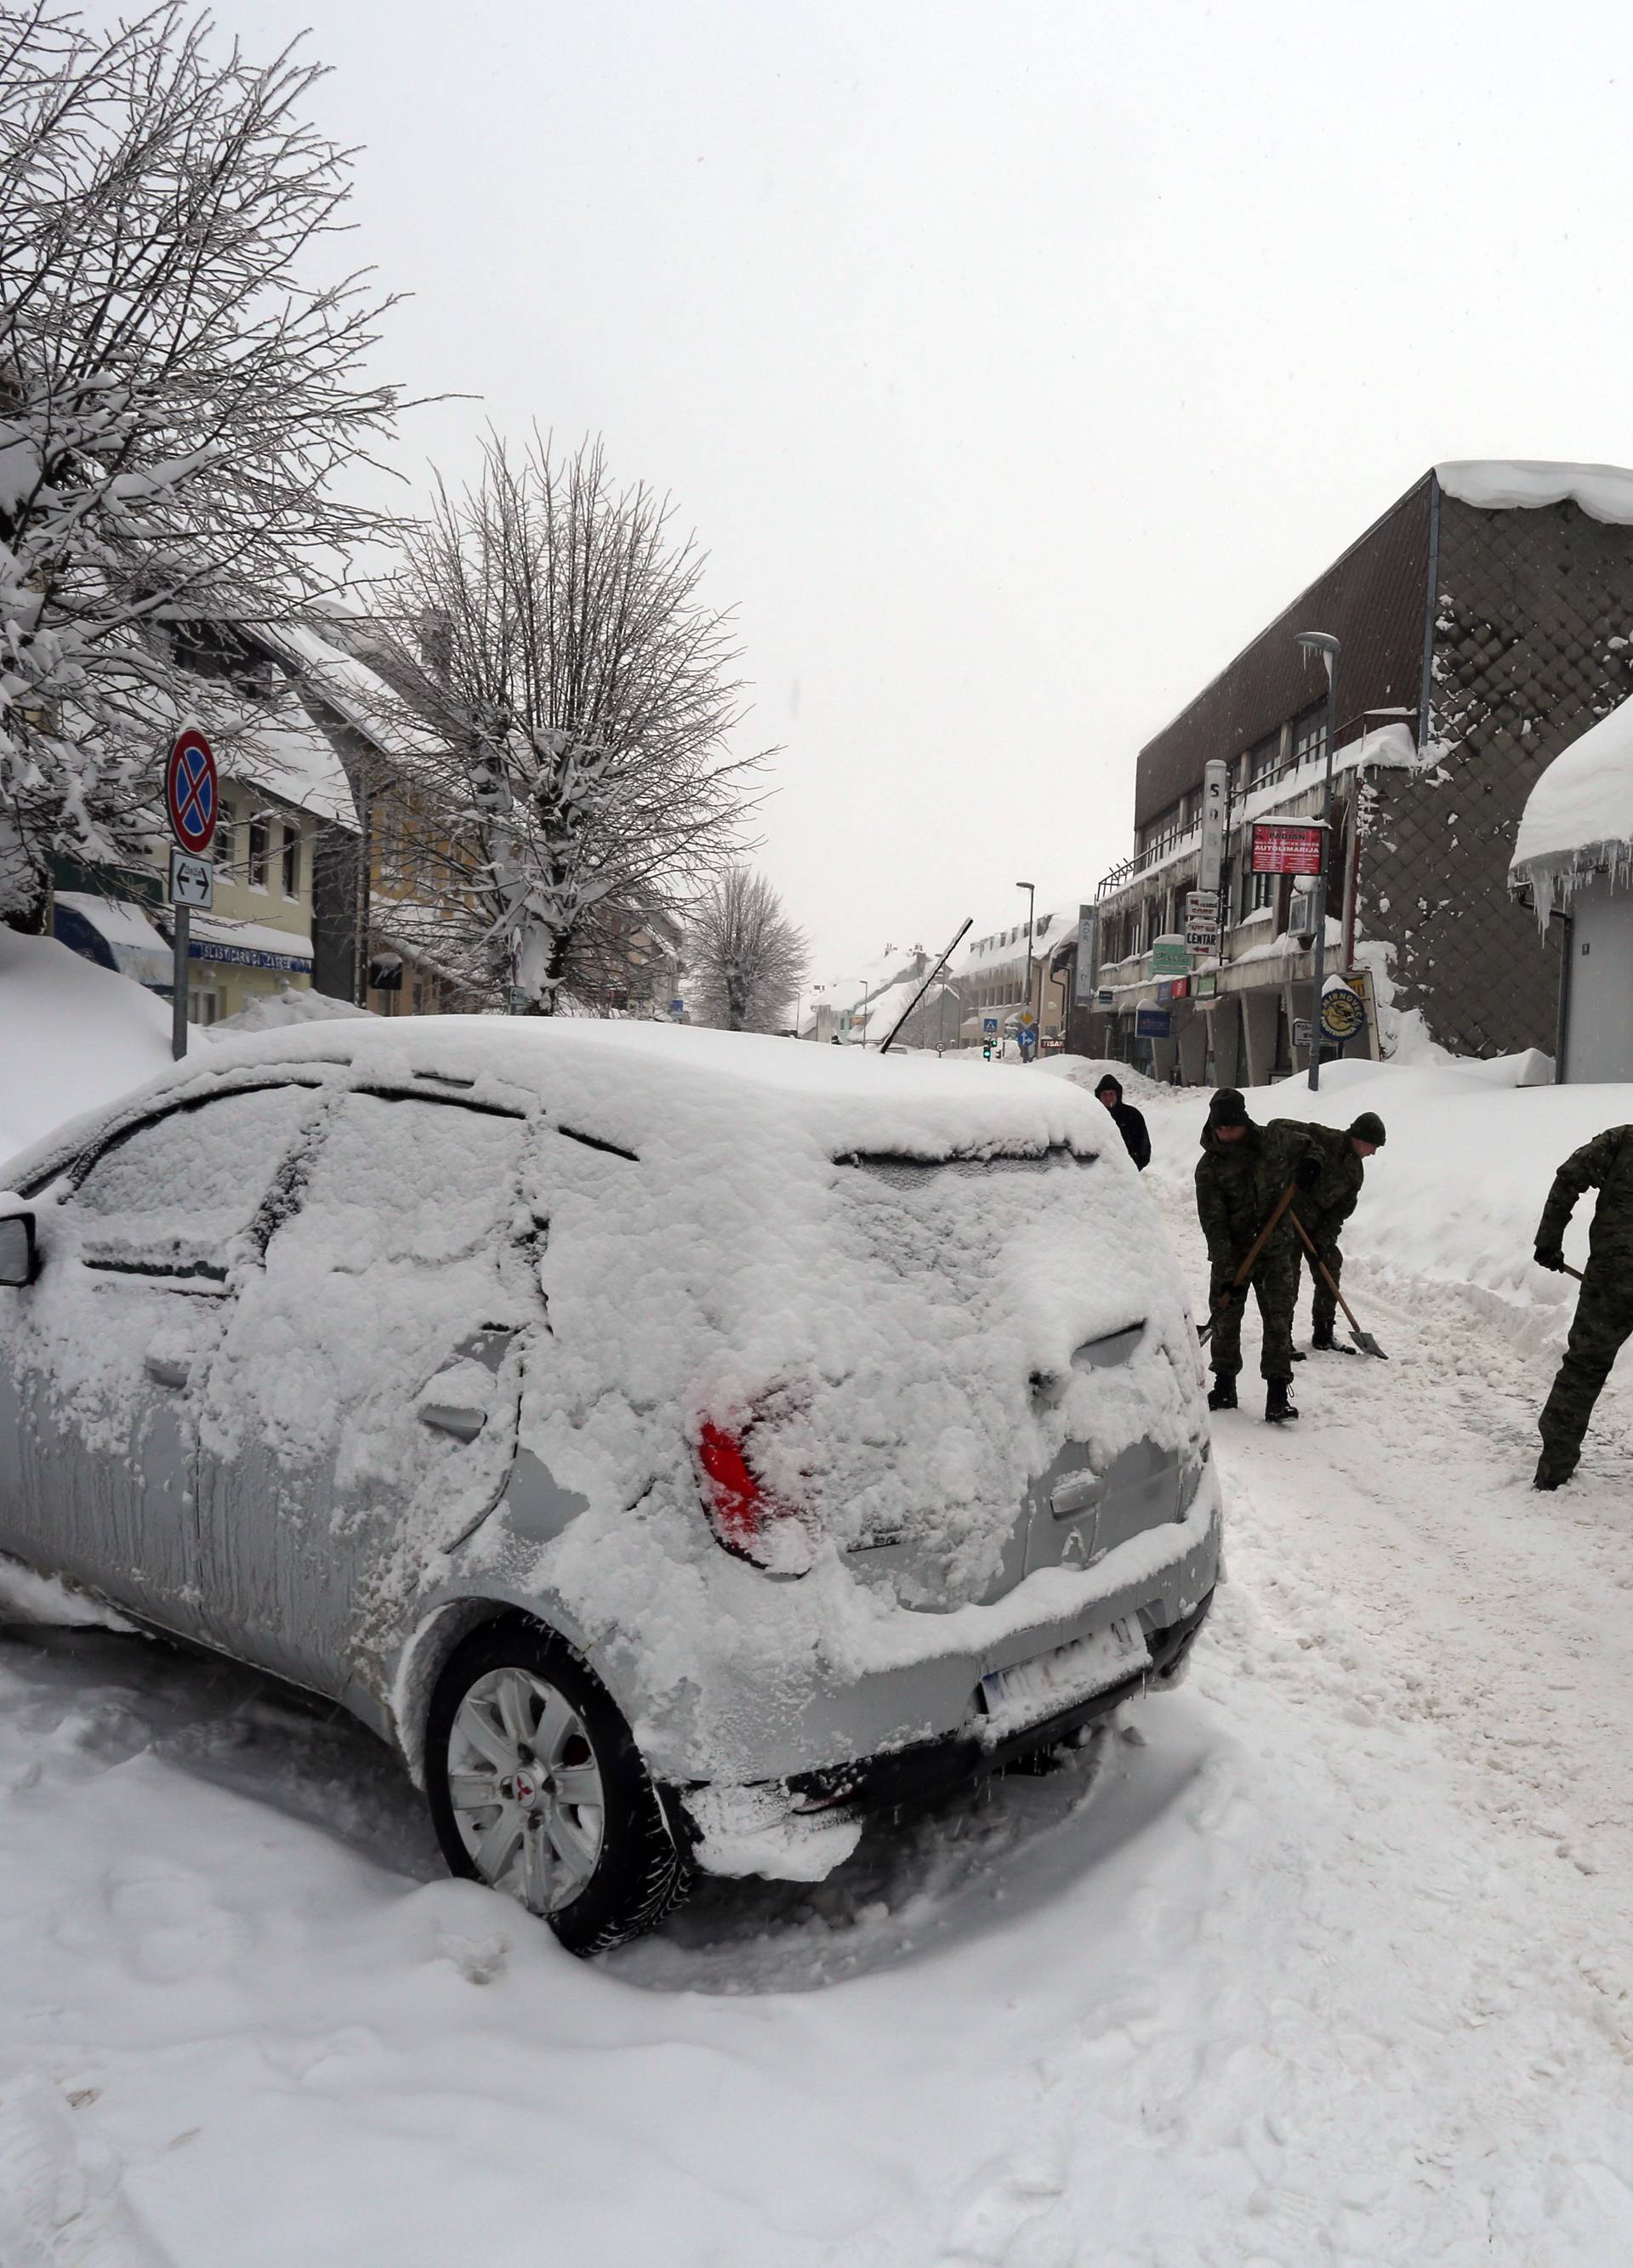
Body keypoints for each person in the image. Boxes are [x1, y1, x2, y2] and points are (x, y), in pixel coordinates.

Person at [1195, 1088, 1321, 1423]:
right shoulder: (1210, 1167)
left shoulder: (1275, 1141)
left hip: (1275, 1249)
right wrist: (1227, 1271)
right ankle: (1224, 1386)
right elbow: (1213, 1223)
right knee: (1225, 1318)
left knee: (1279, 1319)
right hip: (1233, 1253)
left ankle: (1278, 1394)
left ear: (1244, 1122)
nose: (1226, 1134)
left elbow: (1316, 1142)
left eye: (1231, 1127)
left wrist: (1311, 1164)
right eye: (1220, 1128)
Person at [1531, 1123, 1633, 1489]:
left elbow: (1569, 1177)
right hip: (1612, 1277)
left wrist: (1548, 1239)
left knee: (1584, 1369)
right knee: (1583, 1369)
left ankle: (1554, 1470)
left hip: (1612, 1279)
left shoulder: (1622, 1140)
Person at [1273, 1109, 1385, 1352]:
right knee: (1288, 1279)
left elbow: (1340, 1211)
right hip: (1288, 1216)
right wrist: (1308, 1160)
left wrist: (1324, 1239)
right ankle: (1282, 1340)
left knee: (1330, 1266)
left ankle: (1323, 1333)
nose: (1374, 1152)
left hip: (1315, 1227)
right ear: (1361, 1138)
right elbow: (1278, 1125)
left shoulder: (1356, 1172)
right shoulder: (1326, 1138)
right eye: (1373, 1146)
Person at [1094, 1072, 1151, 1171]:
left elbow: (1144, 1146)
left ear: (1118, 1095)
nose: (1108, 1098)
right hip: (1098, 1173)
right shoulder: (1092, 1115)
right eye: (1104, 1094)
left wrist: (1134, 1166)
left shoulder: (1132, 1115)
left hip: (1127, 1173)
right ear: (1099, 1096)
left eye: (1111, 1094)